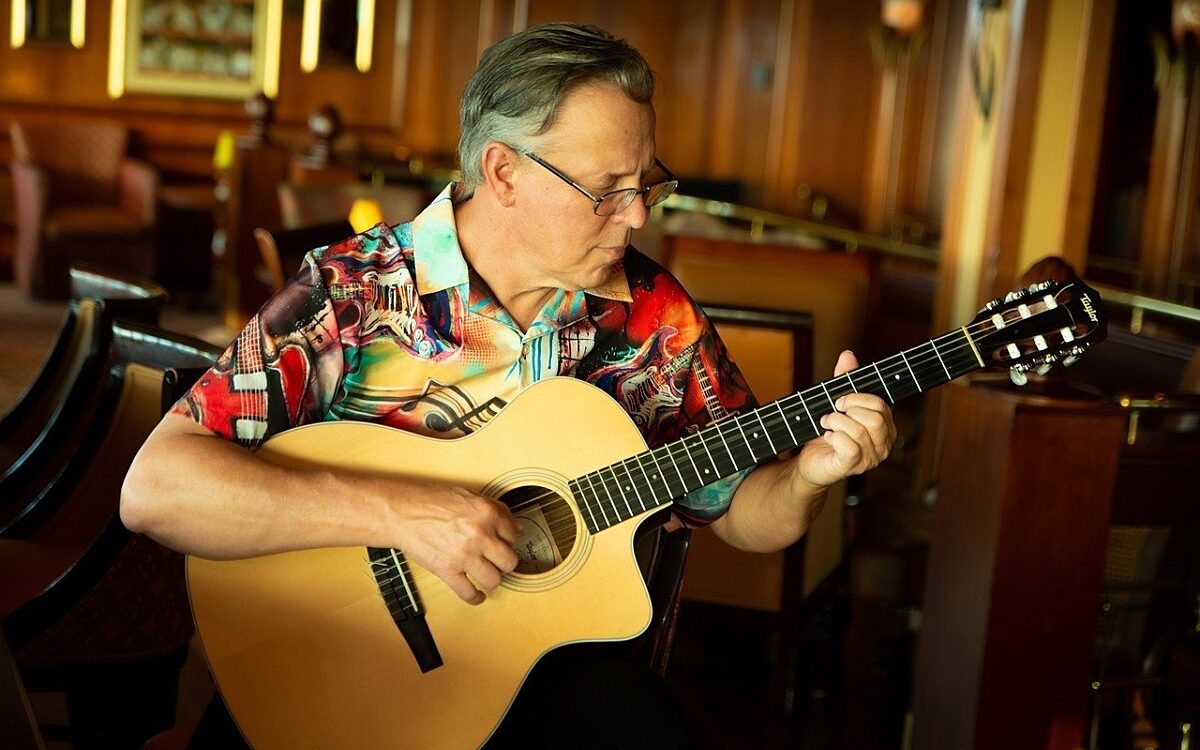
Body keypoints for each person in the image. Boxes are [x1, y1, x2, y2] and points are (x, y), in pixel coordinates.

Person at [122, 22, 895, 749]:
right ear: (503, 172)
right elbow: (157, 488)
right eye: (607, 189)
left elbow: (743, 512)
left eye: (646, 184)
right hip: (333, 655)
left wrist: (808, 475)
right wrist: (407, 515)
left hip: (541, 668)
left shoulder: (654, 317)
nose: (635, 218)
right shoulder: (355, 292)